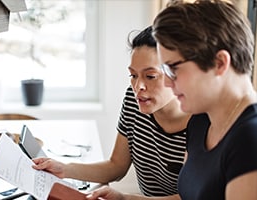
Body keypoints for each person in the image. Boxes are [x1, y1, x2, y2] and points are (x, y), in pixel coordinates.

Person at [87, 0, 257, 200]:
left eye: (173, 69)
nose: (167, 82)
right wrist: (125, 199)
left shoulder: (250, 138)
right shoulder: (200, 121)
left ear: (219, 63)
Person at [33, 26, 190, 198]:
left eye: (150, 76)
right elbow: (116, 166)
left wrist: (124, 198)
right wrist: (64, 169)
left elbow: (188, 197)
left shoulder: (201, 121)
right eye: (133, 75)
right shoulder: (134, 99)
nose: (138, 87)